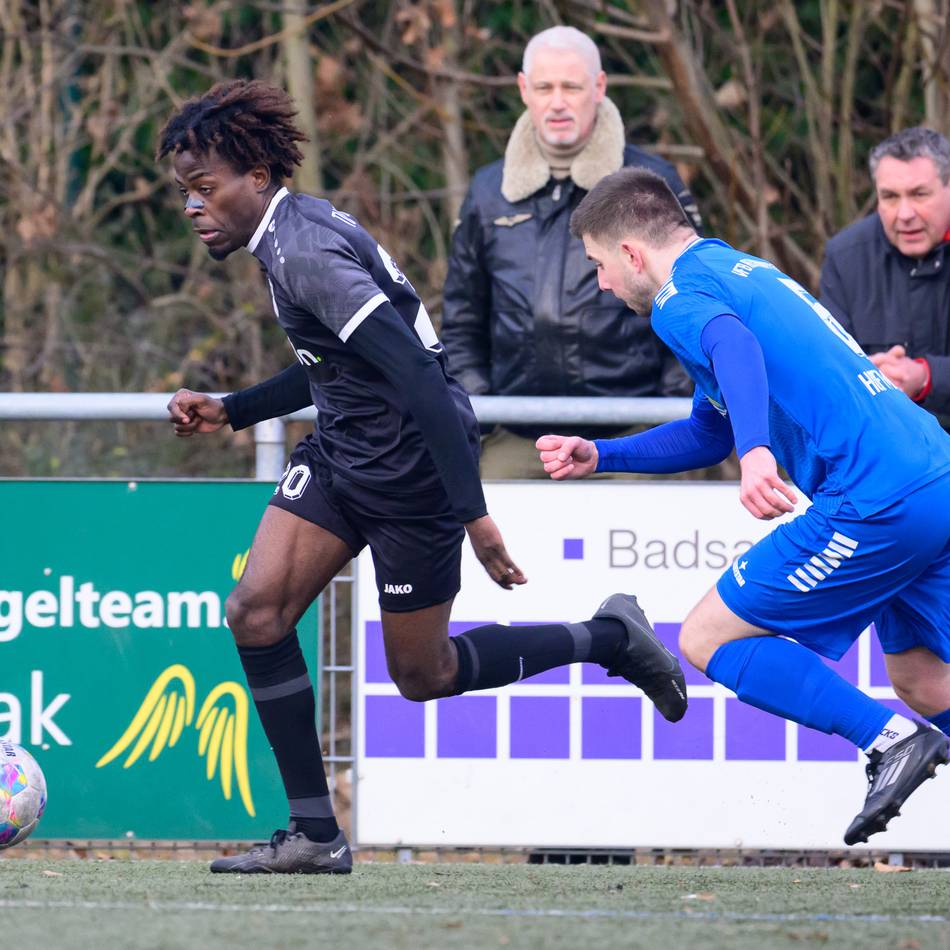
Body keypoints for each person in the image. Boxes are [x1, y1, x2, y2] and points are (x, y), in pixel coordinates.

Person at [156, 81, 688, 873]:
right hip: (344, 452)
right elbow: (338, 364)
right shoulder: (281, 238)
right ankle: (314, 835)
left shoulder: (304, 251)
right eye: (185, 194)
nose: (195, 208)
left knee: (423, 675)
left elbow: (421, 378)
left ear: (258, 176)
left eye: (207, 189)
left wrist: (474, 518)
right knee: (257, 610)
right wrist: (235, 409)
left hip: (411, 472)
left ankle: (608, 638)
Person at [538, 166, 950, 845]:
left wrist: (757, 454)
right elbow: (709, 428)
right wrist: (602, 455)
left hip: (876, 498)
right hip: (932, 478)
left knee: (707, 638)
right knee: (922, 678)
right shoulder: (734, 270)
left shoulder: (679, 299)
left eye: (600, 265)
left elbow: (734, 350)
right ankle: (902, 728)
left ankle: (889, 742)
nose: (604, 284)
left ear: (632, 253)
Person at [441, 26, 700, 479]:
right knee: (491, 544)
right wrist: (481, 411)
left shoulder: (649, 185)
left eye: (571, 86)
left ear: (598, 88)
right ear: (524, 89)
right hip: (517, 436)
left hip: (631, 434)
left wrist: (666, 417)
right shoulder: (487, 192)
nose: (557, 102)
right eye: (544, 87)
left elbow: (693, 304)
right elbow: (462, 317)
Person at [820, 127, 950, 421]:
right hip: (883, 452)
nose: (904, 214)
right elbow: (825, 364)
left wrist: (927, 376)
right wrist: (865, 375)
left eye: (919, 194)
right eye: (890, 197)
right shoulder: (846, 257)